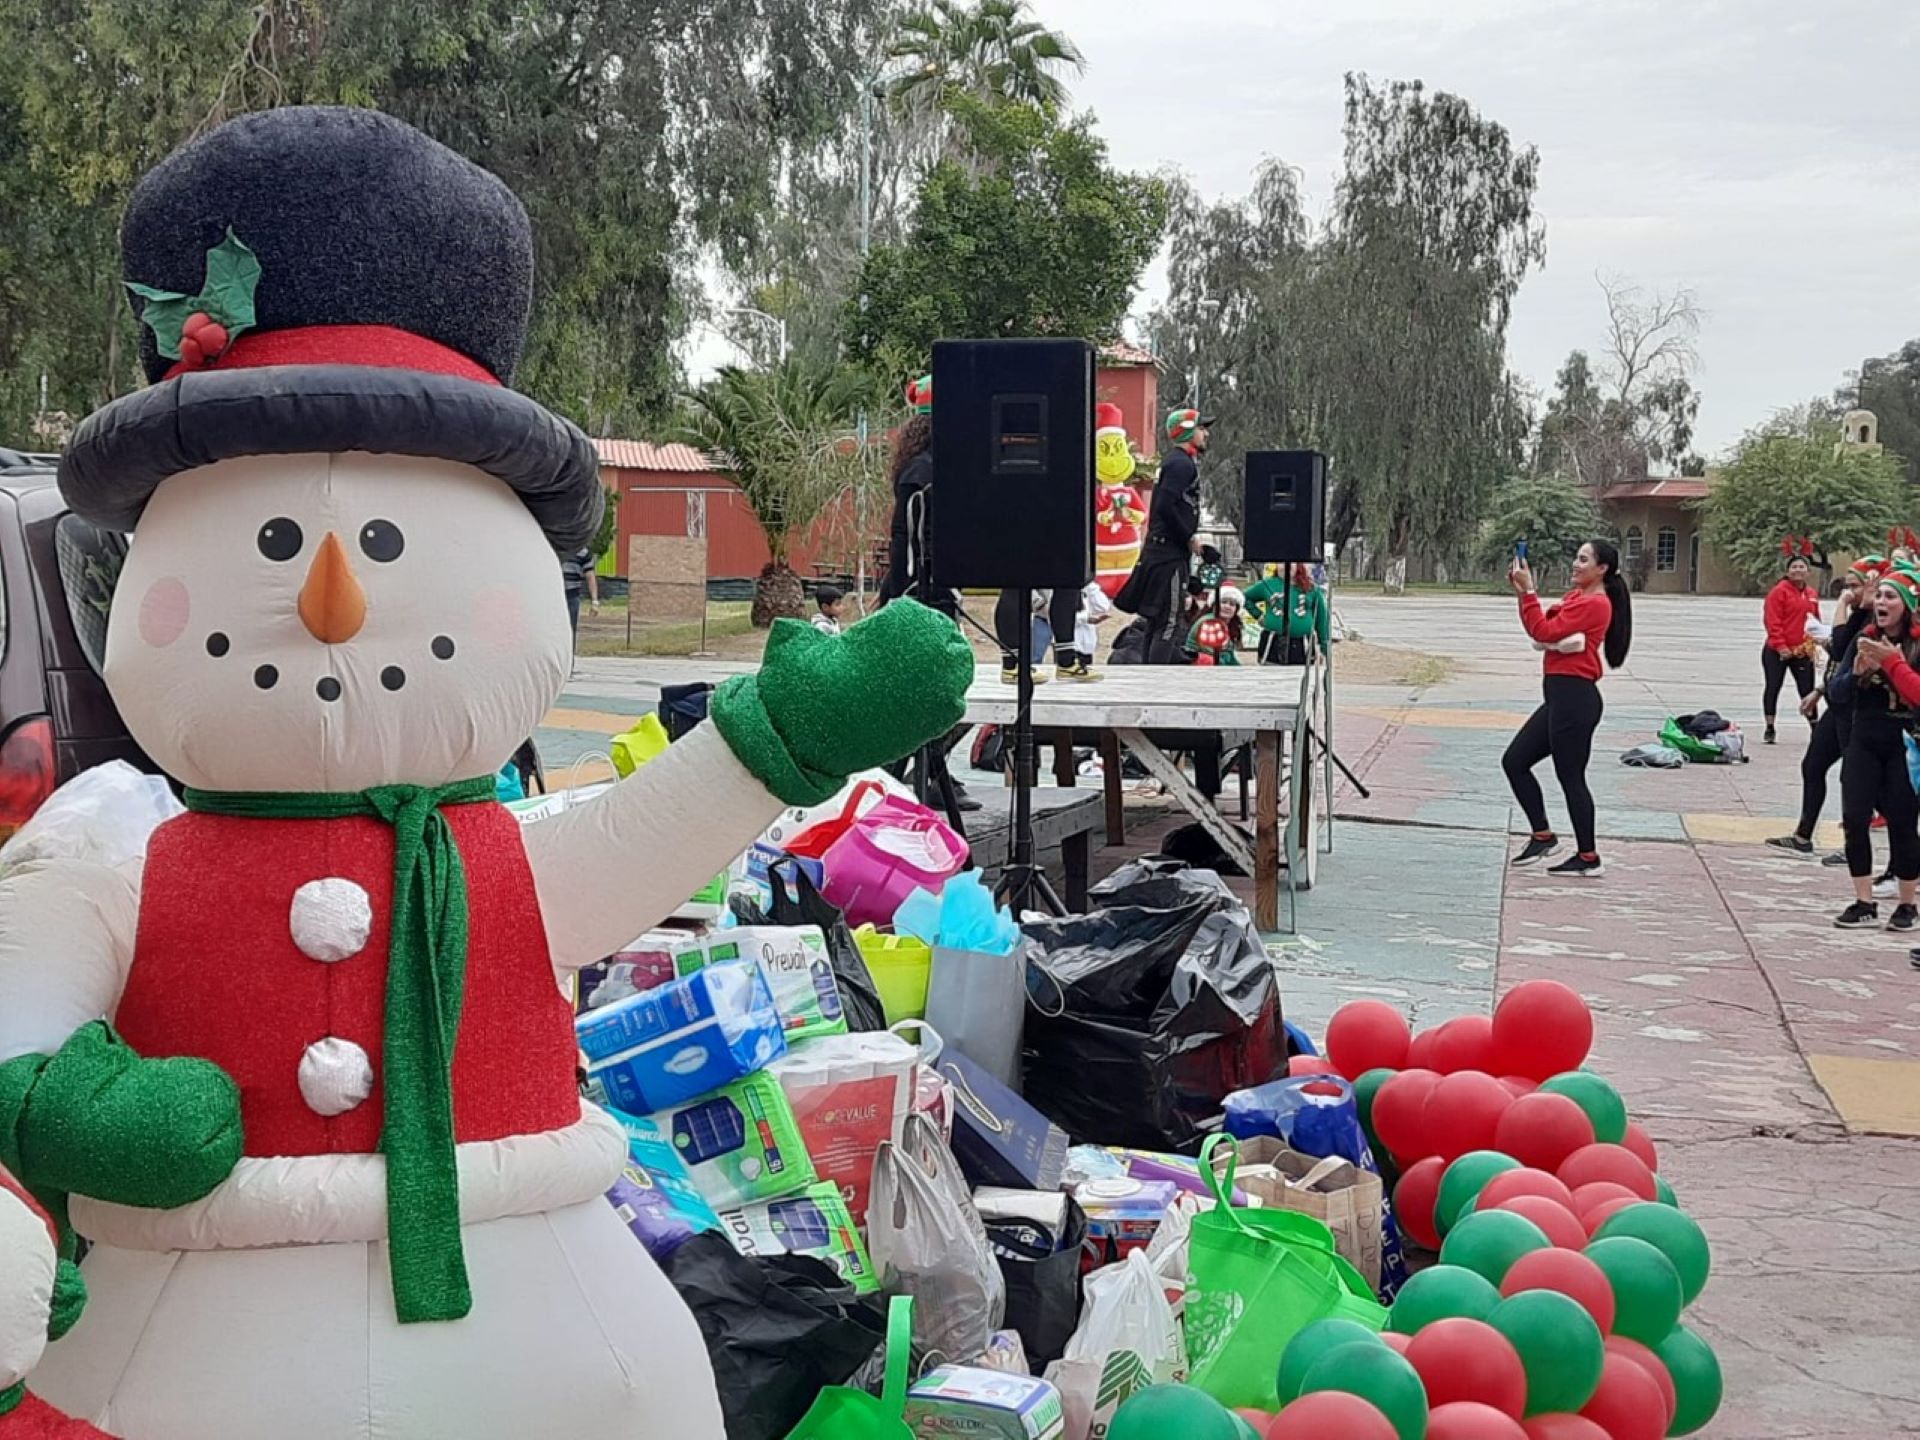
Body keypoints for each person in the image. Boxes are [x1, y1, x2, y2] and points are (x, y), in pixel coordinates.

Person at [1502, 539, 1633, 878]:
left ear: (1602, 568)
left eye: (1583, 559)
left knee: (1570, 776)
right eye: (1577, 557)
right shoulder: (1577, 598)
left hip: (1575, 700)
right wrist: (1525, 596)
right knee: (1515, 761)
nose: (1576, 564)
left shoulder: (1596, 604)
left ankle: (1588, 856)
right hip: (1560, 698)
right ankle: (1542, 836)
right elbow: (1543, 629)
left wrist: (1531, 596)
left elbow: (1543, 629)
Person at [1821, 568, 1920, 929]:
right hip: (1863, 739)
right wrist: (1856, 672)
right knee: (1855, 818)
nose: (1881, 603)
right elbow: (1837, 693)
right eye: (1879, 596)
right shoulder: (1864, 638)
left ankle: (1908, 904)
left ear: (1906, 605)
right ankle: (1864, 900)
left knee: (1903, 821)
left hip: (1902, 742)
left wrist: (1893, 664)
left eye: (1890, 597)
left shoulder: (1915, 645)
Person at [1768, 556, 1883, 856]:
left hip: (1857, 711)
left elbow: (1841, 642)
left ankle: (1854, 847)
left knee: (1854, 779)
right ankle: (1803, 835)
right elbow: (1840, 659)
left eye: (1855, 586)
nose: (1849, 591)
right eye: (1847, 585)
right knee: (1813, 764)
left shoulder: (1876, 621)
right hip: (1837, 705)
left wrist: (1845, 605)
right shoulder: (1863, 615)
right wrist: (1819, 690)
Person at [1114, 408, 1211, 664]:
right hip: (1168, 555)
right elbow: (1165, 506)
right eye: (1201, 428)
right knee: (1169, 620)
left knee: (1155, 620)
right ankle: (1157, 679)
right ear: (1188, 431)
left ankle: (1147, 675)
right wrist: (1190, 538)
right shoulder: (1180, 464)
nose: (1206, 434)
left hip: (1161, 551)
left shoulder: (1175, 462)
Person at [1762, 543, 1822, 743]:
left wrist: (1817, 640)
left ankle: (1816, 729)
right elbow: (1772, 621)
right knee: (1773, 687)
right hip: (1777, 651)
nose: (1798, 570)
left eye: (1801, 567)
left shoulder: (1812, 593)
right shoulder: (1779, 592)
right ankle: (1770, 727)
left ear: (1808, 571)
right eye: (1794, 567)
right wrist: (1781, 646)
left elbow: (1815, 620)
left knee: (1807, 690)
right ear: (1787, 571)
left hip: (1802, 650)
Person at [1245, 563, 1331, 665]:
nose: (1286, 566)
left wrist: (1323, 648)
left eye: (1292, 562)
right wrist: (1258, 615)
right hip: (1273, 642)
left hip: (1303, 644)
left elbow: (1322, 620)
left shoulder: (1312, 589)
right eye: (1281, 562)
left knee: (1302, 676)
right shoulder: (1267, 585)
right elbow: (1245, 598)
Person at [1187, 585, 1246, 665]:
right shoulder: (1209, 622)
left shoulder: (1226, 625)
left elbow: (1230, 656)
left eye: (1232, 604)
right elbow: (1213, 656)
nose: (1227, 606)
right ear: (1214, 605)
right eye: (1223, 602)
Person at [562, 545, 600, 640]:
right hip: (554, 595)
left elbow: (590, 576)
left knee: (570, 631)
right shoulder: (554, 547)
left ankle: (570, 654)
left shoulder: (583, 552)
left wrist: (595, 601)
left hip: (572, 596)